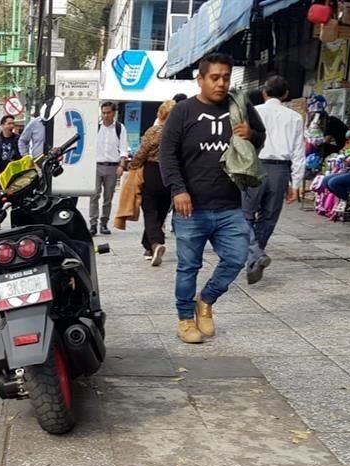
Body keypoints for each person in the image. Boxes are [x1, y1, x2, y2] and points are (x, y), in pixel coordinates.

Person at [160, 52, 266, 345]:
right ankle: (184, 319)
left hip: (230, 203)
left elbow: (260, 136)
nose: (221, 83)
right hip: (191, 206)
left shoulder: (239, 106)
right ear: (201, 79)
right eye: (214, 77)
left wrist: (251, 135)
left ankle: (205, 301)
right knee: (188, 267)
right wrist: (178, 189)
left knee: (236, 258)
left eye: (226, 77)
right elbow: (167, 155)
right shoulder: (183, 112)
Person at [242, 75, 305, 285]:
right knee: (268, 217)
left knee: (245, 215)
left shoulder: (254, 112)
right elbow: (298, 152)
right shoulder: (295, 117)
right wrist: (295, 183)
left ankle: (254, 254)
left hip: (255, 166)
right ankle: (256, 256)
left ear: (264, 92)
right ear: (286, 94)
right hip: (280, 170)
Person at [130, 99, 176, 266]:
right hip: (170, 173)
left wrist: (132, 166)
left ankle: (156, 243)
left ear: (160, 114)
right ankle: (148, 247)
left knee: (150, 211)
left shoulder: (153, 132)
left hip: (152, 172)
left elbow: (142, 153)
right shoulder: (180, 133)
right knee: (162, 211)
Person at [89, 101, 129, 236]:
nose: (105, 116)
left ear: (114, 113)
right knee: (94, 195)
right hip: (96, 165)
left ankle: (104, 223)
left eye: (108, 113)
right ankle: (93, 224)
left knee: (108, 197)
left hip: (112, 166)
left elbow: (123, 149)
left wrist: (121, 165)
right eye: (103, 112)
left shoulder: (119, 128)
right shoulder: (96, 128)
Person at [0, 115, 22, 229]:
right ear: (2, 125)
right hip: (0, 173)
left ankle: (16, 223)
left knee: (16, 198)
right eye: (9, 123)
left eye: (13, 123)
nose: (11, 126)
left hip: (14, 173)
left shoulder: (17, 139)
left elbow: (21, 155)